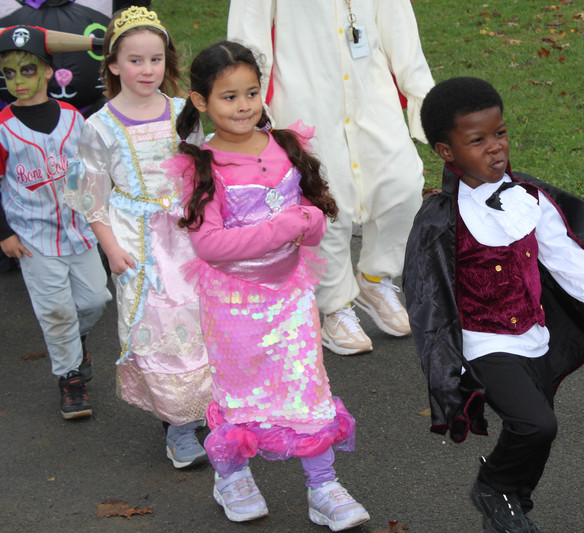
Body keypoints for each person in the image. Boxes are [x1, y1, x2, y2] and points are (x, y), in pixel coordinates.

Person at [404, 77, 584, 533]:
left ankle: (511, 508)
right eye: (477, 140)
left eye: (501, 133)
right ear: (446, 151)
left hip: (535, 338)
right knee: (537, 425)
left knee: (533, 433)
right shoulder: (441, 218)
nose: (496, 148)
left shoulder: (528, 196)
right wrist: (446, 371)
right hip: (483, 341)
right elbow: (428, 297)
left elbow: (563, 252)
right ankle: (493, 486)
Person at [170, 40, 370, 531]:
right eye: (229, 97)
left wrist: (310, 223)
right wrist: (289, 225)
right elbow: (212, 245)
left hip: (290, 297)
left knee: (308, 387)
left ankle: (322, 486)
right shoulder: (202, 165)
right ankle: (232, 475)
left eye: (251, 93)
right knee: (240, 392)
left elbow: (316, 218)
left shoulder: (285, 145)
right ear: (200, 102)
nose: (243, 107)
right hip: (233, 305)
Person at [228, 1, 435, 355]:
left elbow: (399, 26)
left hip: (371, 91)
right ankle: (336, 305)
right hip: (306, 96)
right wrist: (251, 99)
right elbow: (249, 34)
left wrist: (424, 96)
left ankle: (375, 278)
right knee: (325, 202)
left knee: (404, 185)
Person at [64, 6, 212, 469]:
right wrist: (111, 248)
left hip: (190, 235)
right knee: (159, 328)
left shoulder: (183, 113)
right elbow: (91, 196)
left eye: (155, 60)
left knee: (202, 320)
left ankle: (206, 407)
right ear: (112, 65)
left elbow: (206, 166)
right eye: (135, 60)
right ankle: (178, 427)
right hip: (138, 240)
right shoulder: (98, 127)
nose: (147, 70)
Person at [0, 25, 111, 420]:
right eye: (9, 73)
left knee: (95, 299)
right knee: (56, 311)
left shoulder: (73, 117)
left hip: (80, 232)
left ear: (48, 71)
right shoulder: (2, 126)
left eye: (27, 70)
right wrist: (5, 234)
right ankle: (70, 379)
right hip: (32, 238)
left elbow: (94, 170)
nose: (18, 81)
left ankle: (75, 344)